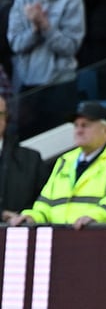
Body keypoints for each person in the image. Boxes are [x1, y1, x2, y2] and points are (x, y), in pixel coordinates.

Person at [8, 101, 106, 228]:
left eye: (85, 125)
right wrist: (32, 217)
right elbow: (46, 204)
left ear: (105, 129)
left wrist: (98, 216)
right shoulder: (65, 161)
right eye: (76, 125)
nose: (79, 130)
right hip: (66, 241)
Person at [7, 0, 85, 139]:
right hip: (27, 86)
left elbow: (70, 47)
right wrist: (35, 30)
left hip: (60, 85)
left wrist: (45, 26)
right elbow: (15, 44)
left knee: (61, 143)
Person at [0, 95, 50, 224]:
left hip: (19, 232)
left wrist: (27, 216)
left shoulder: (32, 159)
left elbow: (45, 202)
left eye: (0, 114)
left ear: (6, 118)